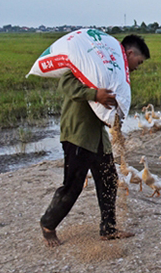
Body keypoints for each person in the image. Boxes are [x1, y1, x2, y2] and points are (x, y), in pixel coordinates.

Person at [40, 34, 150, 248]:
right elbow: (66, 84)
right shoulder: (92, 64)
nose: (138, 67)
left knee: (108, 178)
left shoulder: (111, 72)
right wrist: (94, 94)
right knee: (73, 184)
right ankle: (48, 224)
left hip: (98, 136)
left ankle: (108, 229)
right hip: (78, 133)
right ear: (129, 53)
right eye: (139, 62)